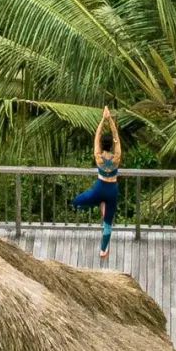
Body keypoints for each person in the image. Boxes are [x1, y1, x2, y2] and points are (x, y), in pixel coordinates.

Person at [71, 105, 122, 260]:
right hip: (112, 190)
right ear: (112, 145)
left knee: (78, 201)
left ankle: (84, 205)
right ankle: (103, 250)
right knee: (108, 224)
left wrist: (102, 119)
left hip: (99, 188)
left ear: (102, 145)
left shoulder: (99, 157)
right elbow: (116, 137)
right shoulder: (116, 158)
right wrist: (110, 120)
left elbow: (96, 137)